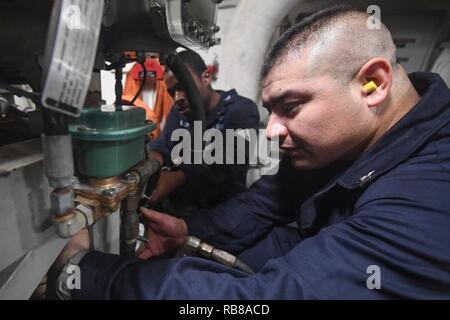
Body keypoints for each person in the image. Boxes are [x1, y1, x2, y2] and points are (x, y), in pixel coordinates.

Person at [58, 5, 450, 299]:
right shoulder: (341, 145)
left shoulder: (429, 196)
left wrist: (89, 273)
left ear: (372, 84)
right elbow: (267, 203)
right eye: (273, 111)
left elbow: (262, 301)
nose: (274, 130)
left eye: (291, 107)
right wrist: (190, 234)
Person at [145, 49, 260, 213]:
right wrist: (153, 161)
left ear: (205, 78)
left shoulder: (241, 110)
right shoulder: (180, 112)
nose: (177, 98)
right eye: (172, 92)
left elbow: (229, 168)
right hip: (185, 205)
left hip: (224, 210)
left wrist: (177, 178)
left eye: (183, 87)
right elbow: (165, 144)